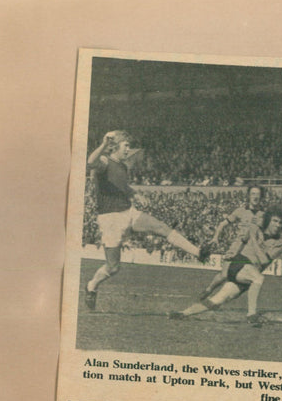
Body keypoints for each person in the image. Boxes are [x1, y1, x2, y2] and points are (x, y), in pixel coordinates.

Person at [84, 130, 209, 311]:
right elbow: (90, 162)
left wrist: (136, 194)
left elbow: (123, 186)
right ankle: (91, 285)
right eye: (126, 145)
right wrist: (103, 144)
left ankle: (198, 253)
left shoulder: (123, 167)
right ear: (116, 145)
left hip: (128, 212)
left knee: (160, 227)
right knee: (113, 267)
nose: (129, 149)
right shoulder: (105, 161)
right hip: (110, 219)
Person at [170, 205, 282, 327]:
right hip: (240, 263)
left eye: (280, 223)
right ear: (268, 220)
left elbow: (264, 261)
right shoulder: (256, 229)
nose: (277, 225)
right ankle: (251, 314)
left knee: (217, 300)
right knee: (259, 278)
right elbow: (244, 239)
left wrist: (253, 239)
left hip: (248, 275)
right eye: (275, 221)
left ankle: (182, 313)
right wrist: (250, 233)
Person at [198, 185, 266, 300]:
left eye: (258, 194)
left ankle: (223, 297)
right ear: (249, 196)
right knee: (224, 275)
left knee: (247, 279)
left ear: (261, 197)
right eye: (253, 194)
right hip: (237, 248)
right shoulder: (240, 211)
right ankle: (209, 289)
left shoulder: (264, 215)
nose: (255, 197)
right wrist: (215, 237)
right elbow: (222, 224)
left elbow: (264, 235)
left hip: (251, 252)